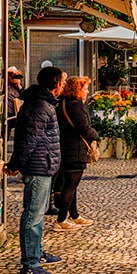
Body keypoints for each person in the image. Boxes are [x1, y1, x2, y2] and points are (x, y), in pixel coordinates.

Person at [5, 65, 66, 274]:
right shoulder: (40, 106)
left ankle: (37, 253)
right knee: (32, 215)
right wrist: (15, 164)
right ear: (55, 84)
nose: (64, 86)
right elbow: (28, 140)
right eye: (62, 82)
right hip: (37, 166)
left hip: (44, 165)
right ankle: (29, 263)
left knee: (37, 214)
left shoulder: (44, 103)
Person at [53, 76, 98, 232]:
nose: (87, 92)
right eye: (85, 89)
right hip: (74, 150)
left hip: (63, 148)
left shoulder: (62, 103)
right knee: (70, 185)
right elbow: (84, 128)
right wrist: (95, 135)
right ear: (77, 90)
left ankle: (74, 215)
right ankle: (61, 220)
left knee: (70, 185)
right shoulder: (76, 106)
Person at [6, 66, 23, 138]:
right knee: (7, 130)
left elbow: (24, 95)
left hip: (16, 111)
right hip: (8, 111)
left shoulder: (17, 86)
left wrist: (18, 85)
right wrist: (10, 73)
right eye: (13, 76)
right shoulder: (6, 84)